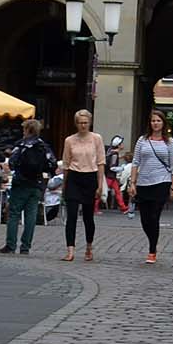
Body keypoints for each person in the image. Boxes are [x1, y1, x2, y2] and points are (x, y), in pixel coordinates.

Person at [0, 117, 55, 255]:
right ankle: (25, 247)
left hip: (20, 183)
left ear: (27, 130)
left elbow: (12, 162)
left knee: (14, 214)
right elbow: (52, 163)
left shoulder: (21, 146)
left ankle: (10, 245)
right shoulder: (43, 146)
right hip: (36, 184)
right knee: (31, 215)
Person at [132, 108, 173, 263]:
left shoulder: (170, 142)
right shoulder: (142, 140)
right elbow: (135, 162)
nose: (156, 123)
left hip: (161, 182)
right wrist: (132, 183)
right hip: (143, 183)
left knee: (154, 216)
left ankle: (152, 250)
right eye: (153, 121)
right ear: (150, 123)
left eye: (158, 121)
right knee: (145, 220)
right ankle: (152, 241)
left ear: (163, 123)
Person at [61, 108, 108, 260]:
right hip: (74, 177)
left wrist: (100, 185)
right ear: (76, 124)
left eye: (86, 123)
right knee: (72, 215)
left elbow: (101, 162)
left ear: (90, 123)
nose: (83, 125)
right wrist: (64, 184)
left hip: (90, 177)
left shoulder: (96, 139)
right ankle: (70, 250)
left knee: (88, 216)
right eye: (80, 123)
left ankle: (89, 246)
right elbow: (66, 164)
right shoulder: (69, 140)